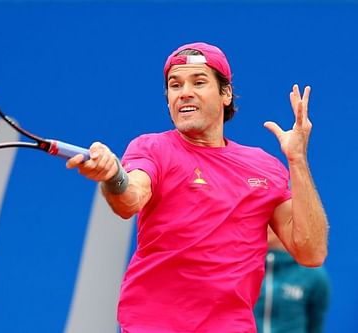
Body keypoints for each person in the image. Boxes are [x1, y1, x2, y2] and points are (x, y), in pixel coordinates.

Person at [66, 42, 328, 332]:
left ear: (225, 93)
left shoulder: (264, 167)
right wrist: (114, 175)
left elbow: (311, 252)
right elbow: (130, 199)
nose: (184, 93)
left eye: (198, 82)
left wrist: (298, 160)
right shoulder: (152, 148)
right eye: (174, 85)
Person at [254, 227, 331, 333]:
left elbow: (315, 325)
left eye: (273, 220)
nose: (267, 226)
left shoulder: (313, 273)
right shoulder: (243, 268)